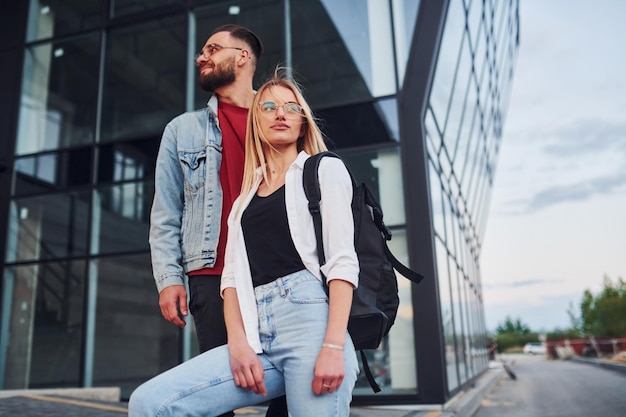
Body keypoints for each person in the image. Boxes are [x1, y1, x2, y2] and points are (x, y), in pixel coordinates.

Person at [130, 71, 360, 417]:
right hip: (254, 330)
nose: (280, 113)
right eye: (268, 106)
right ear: (256, 121)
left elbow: (343, 262)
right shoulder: (244, 199)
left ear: (303, 123)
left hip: (310, 325)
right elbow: (232, 280)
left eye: (290, 108)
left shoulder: (323, 171)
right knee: (151, 403)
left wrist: (332, 346)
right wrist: (237, 343)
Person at [148, 24, 286, 417]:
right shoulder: (183, 129)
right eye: (202, 51)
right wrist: (170, 278)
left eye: (212, 48)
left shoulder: (279, 116)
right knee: (215, 393)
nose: (201, 57)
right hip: (212, 276)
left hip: (283, 276)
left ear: (242, 57)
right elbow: (166, 211)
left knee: (294, 389)